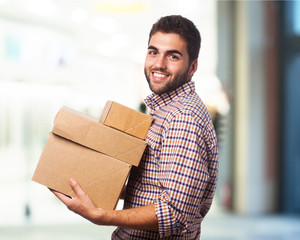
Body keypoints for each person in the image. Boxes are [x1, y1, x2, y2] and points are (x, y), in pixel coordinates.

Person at [51, 15, 219, 239]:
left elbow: (175, 214)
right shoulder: (165, 111)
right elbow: (150, 189)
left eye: (173, 56)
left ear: (193, 66)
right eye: (153, 52)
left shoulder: (182, 118)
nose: (159, 63)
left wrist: (101, 215)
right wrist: (87, 177)